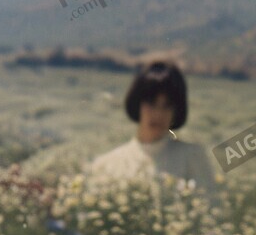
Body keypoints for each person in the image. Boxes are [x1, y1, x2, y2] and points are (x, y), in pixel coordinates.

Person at [84, 60, 217, 202]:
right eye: (151, 103)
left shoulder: (192, 157)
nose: (158, 114)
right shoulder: (105, 165)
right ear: (137, 104)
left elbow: (209, 206)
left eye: (167, 105)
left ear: (176, 111)